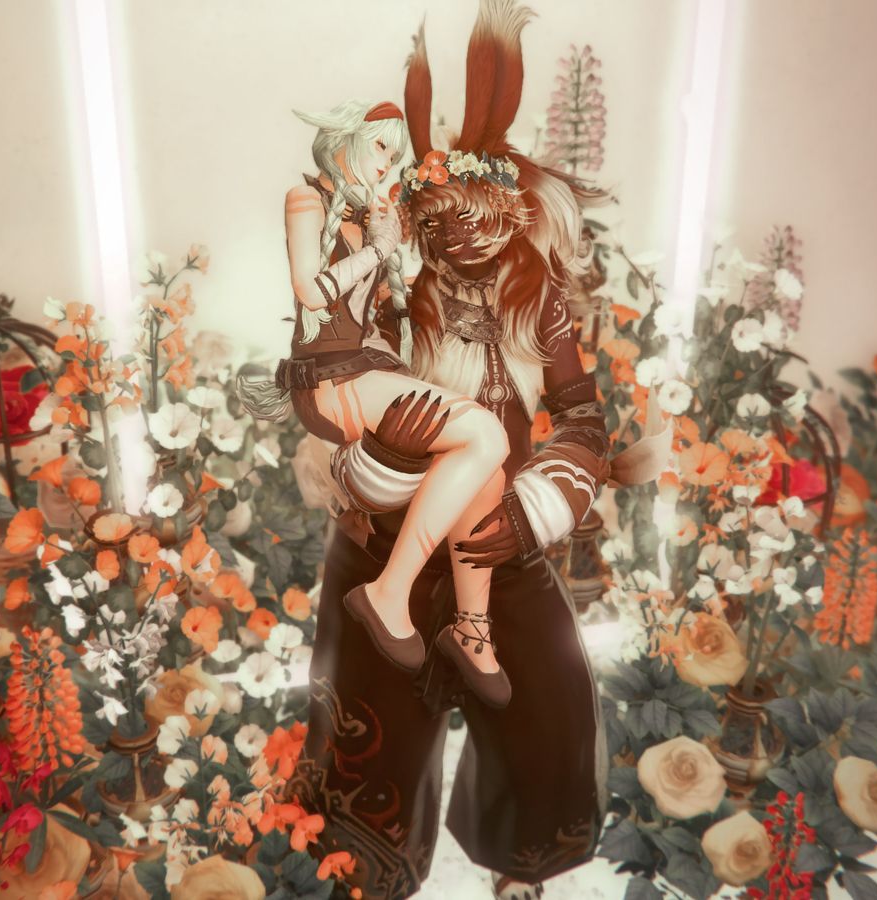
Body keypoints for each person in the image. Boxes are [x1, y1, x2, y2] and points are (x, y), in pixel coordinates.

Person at [284, 2, 617, 897]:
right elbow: (333, 388)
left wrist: (540, 507)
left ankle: (521, 863)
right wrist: (375, 464)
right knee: (365, 729)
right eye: (443, 224)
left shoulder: (541, 302)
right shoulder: (394, 285)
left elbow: (582, 417)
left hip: (503, 537)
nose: (465, 240)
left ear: (515, 214)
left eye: (485, 221)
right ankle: (366, 870)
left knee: (549, 707)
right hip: (384, 534)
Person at [264, 97, 514, 706]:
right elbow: (310, 291)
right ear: (349, 137)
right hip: (329, 381)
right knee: (487, 434)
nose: (387, 162)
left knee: (490, 470)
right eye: (381, 146)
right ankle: (388, 592)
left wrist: (398, 257)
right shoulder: (307, 201)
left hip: (367, 368)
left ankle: (472, 629)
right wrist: (378, 249)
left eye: (395, 154)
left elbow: (377, 315)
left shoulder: (361, 214)